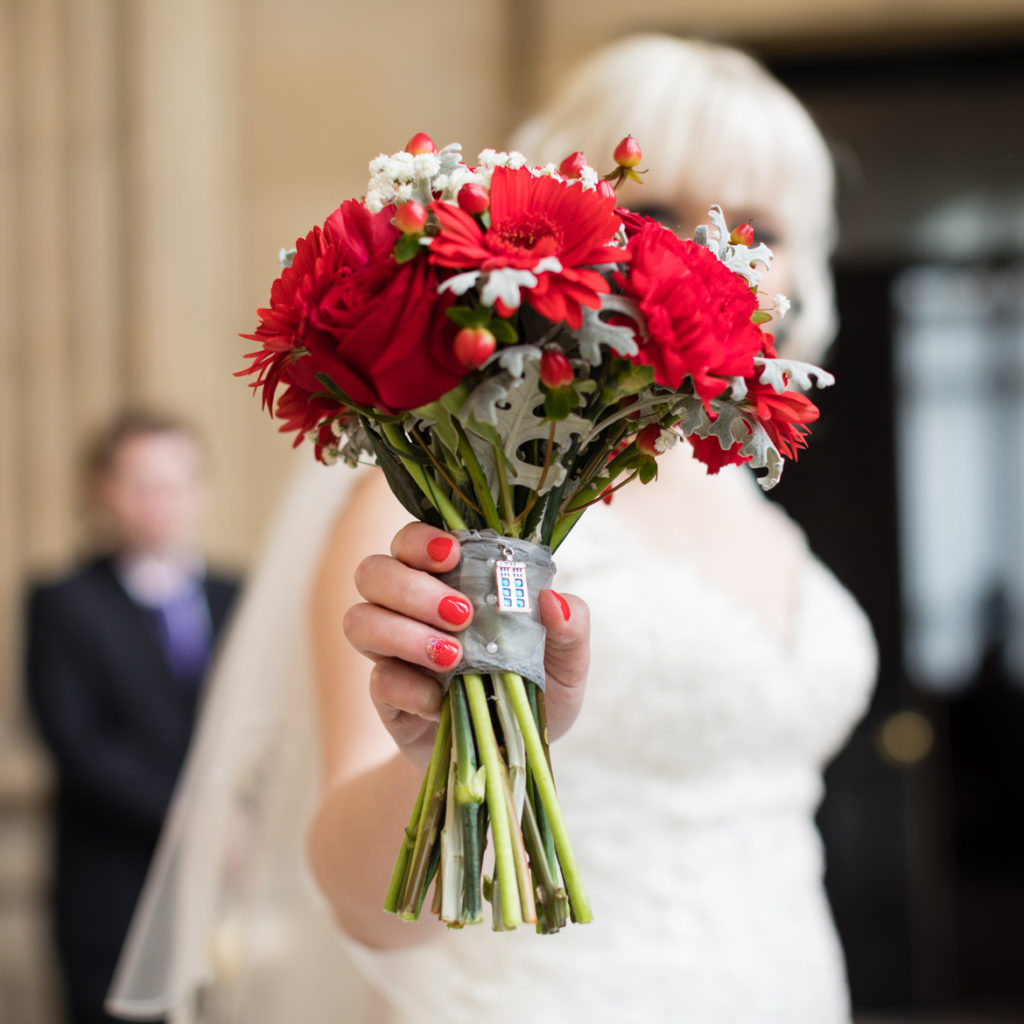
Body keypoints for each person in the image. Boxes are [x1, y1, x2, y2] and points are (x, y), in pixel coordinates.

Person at [108, 34, 877, 1023]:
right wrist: (442, 757)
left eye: (753, 226)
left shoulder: (750, 498)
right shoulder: (453, 499)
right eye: (652, 214)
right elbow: (361, 902)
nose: (698, 255)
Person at [25, 410, 240, 1024]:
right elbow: (77, 742)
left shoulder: (236, 595)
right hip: (112, 883)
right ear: (102, 491)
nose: (160, 503)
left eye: (175, 484)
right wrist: (193, 817)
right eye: (141, 484)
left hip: (227, 881)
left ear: (199, 491)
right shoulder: (63, 602)